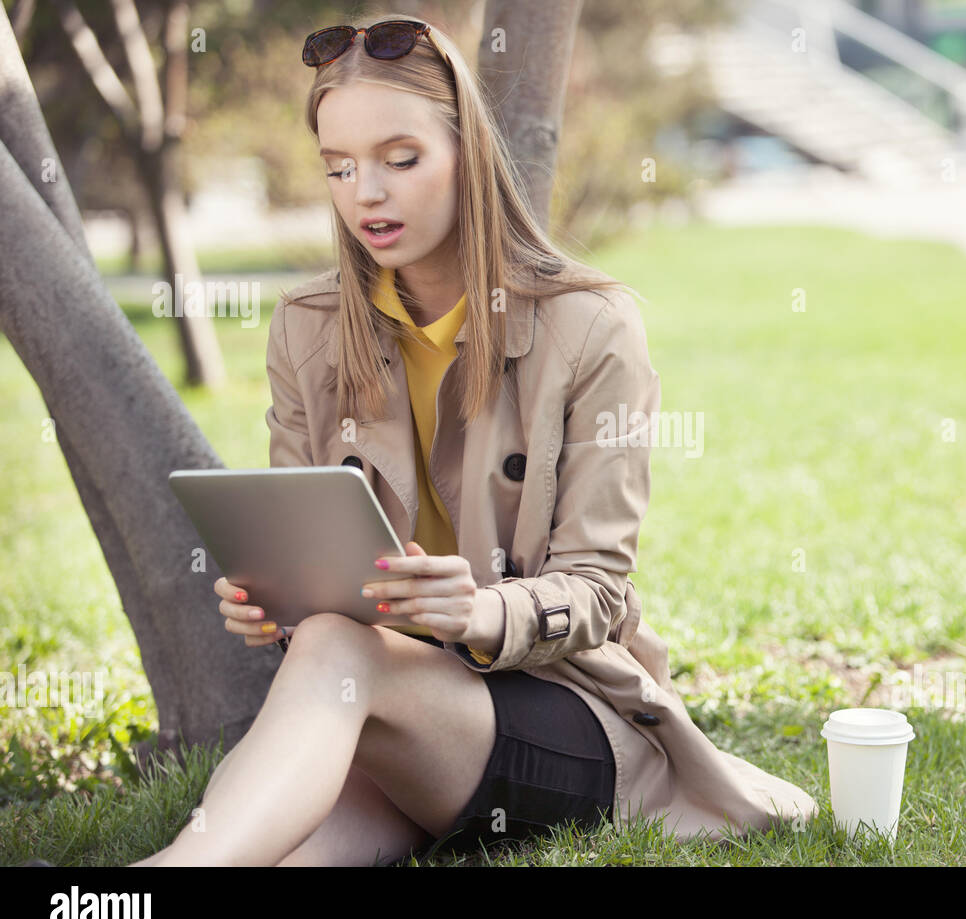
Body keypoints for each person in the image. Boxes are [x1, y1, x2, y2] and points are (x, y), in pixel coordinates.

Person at [131, 12, 817, 867]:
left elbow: (599, 592)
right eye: (338, 167)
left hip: (567, 712)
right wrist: (272, 602)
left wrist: (482, 611)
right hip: (388, 708)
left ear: (469, 154)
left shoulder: (592, 326)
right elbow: (311, 559)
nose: (365, 194)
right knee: (288, 831)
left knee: (337, 652)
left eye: (400, 159)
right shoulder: (308, 329)